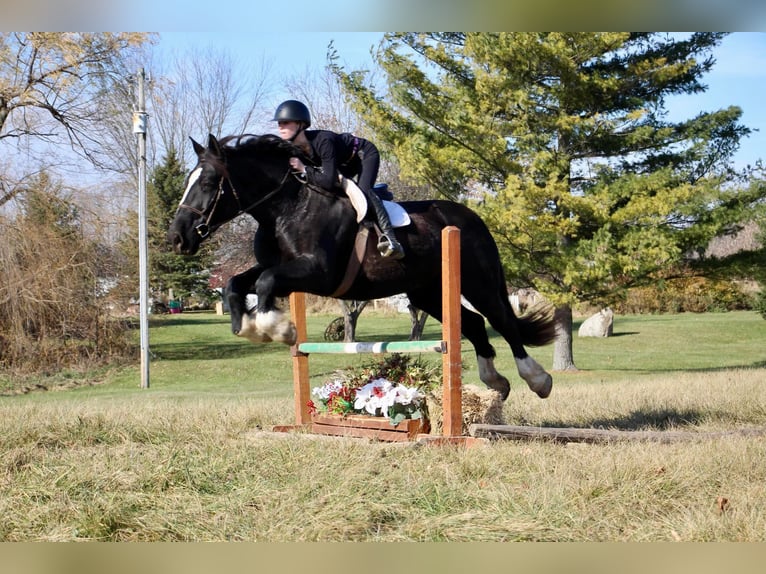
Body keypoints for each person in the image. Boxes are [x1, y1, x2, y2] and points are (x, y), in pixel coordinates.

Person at [273, 99, 405, 260]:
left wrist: (304, 169)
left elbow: (328, 180)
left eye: (285, 122)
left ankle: (391, 240)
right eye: (279, 123)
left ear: (301, 124)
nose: (280, 127)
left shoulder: (323, 141)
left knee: (363, 190)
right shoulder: (295, 150)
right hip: (343, 163)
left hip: (363, 154)